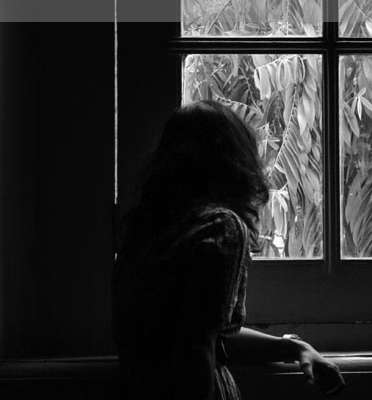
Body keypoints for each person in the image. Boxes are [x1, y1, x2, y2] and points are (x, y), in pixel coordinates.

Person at [113, 100, 345, 400]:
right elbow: (197, 347)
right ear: (233, 164)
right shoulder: (220, 227)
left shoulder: (143, 230)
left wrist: (293, 348)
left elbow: (206, 334)